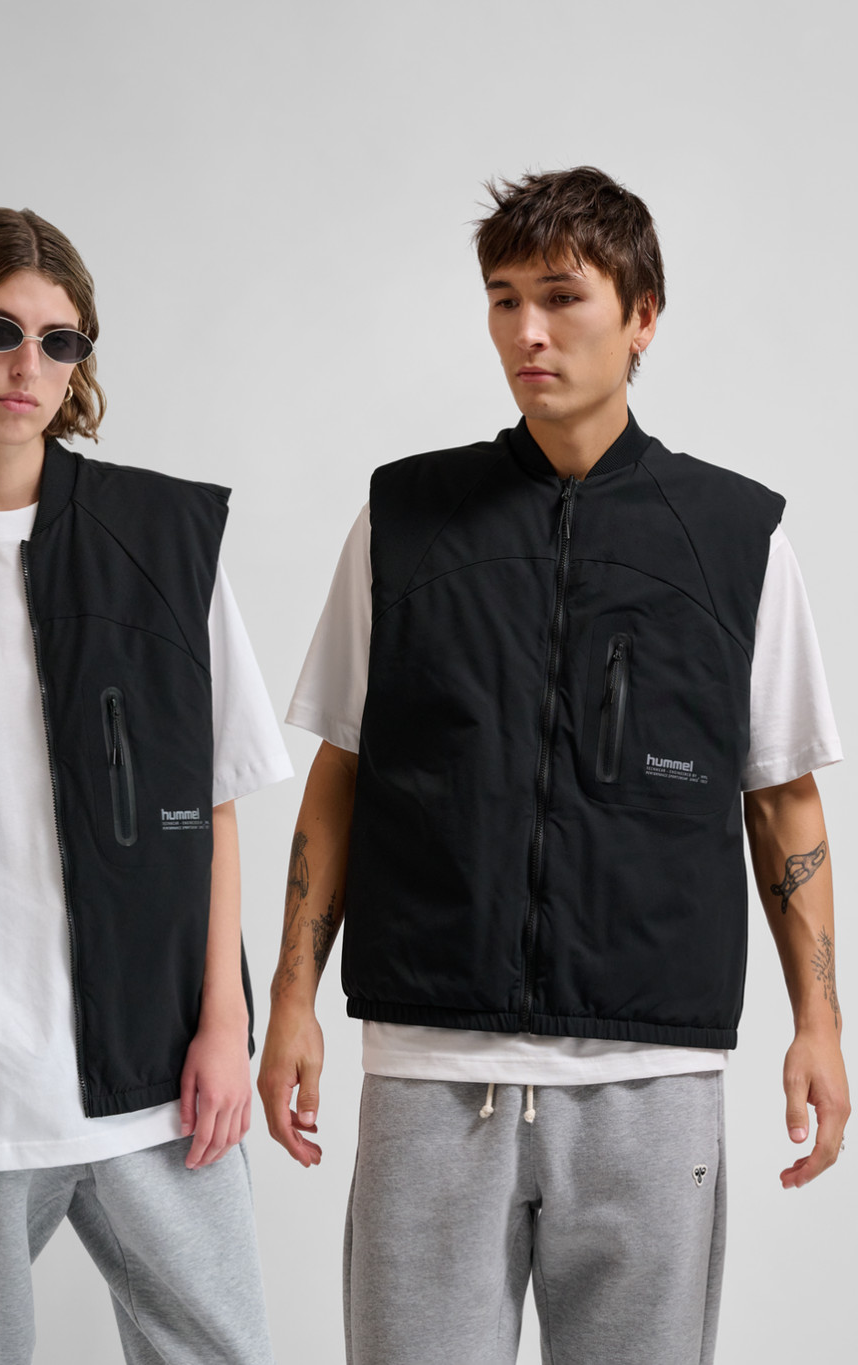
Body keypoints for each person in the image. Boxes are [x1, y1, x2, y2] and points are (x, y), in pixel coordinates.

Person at [258, 166, 850, 1365]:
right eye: (503, 299)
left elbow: (781, 797)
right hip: (431, 1064)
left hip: (650, 1077)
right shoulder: (404, 520)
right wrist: (289, 1001)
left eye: (562, 297)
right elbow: (342, 770)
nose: (527, 332)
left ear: (641, 318)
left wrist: (819, 1024)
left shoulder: (735, 538)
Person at [0, 206, 290, 1365]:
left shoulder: (164, 542)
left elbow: (216, 801)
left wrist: (226, 1025)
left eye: (59, 340)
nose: (26, 366)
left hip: (156, 1075)